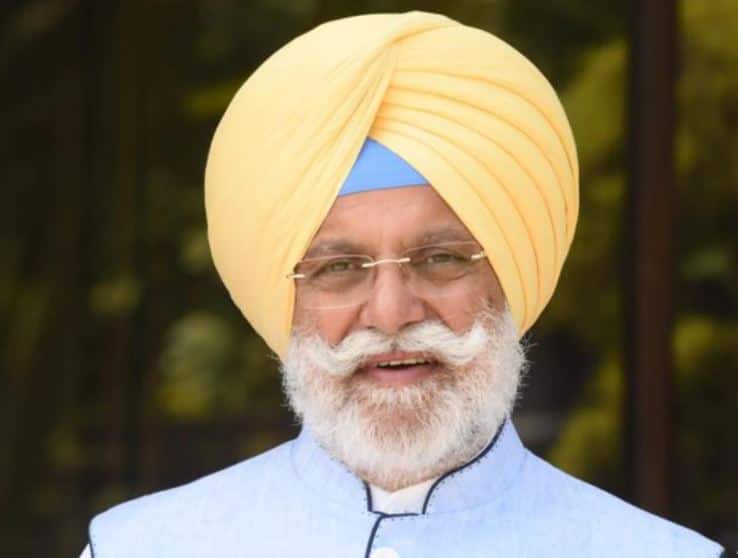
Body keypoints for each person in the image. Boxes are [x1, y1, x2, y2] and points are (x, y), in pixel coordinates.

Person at [80, 11, 726, 557]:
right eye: (338, 268)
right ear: (287, 297)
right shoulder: (141, 547)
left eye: (440, 258)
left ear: (510, 273)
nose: (390, 314)